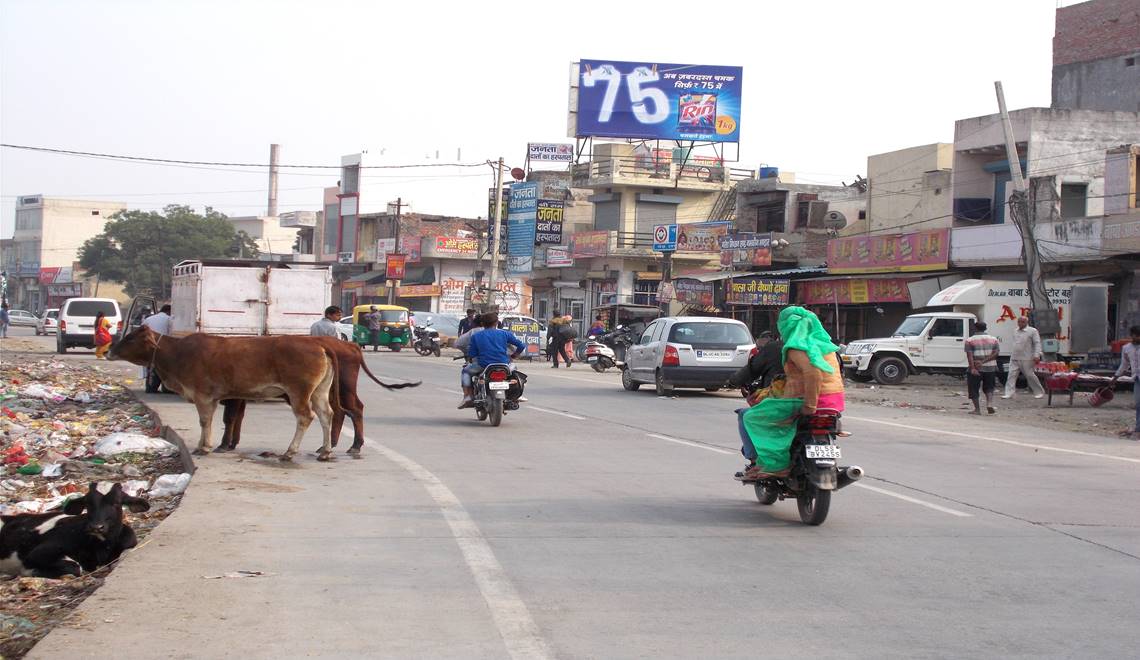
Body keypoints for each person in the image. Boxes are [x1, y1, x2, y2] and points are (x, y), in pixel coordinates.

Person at [736, 307, 844, 479]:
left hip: (806, 401)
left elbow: (813, 373)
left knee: (752, 417)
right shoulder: (826, 345)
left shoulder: (796, 346)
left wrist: (809, 405)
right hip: (834, 402)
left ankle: (774, 465)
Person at [458, 312, 525, 408]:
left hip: (483, 365)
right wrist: (514, 356)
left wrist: (473, 358)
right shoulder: (505, 334)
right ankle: (517, 395)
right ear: (496, 322)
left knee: (465, 372)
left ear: (482, 324)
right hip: (504, 365)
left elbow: (472, 354)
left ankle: (468, 396)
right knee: (514, 371)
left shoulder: (476, 336)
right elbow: (521, 346)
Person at [1003, 316, 1045, 399]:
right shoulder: (1015, 331)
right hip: (1015, 356)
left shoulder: (1032, 331)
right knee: (1011, 375)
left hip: (1027, 357)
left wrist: (1037, 355)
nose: (1020, 323)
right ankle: (1009, 393)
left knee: (1030, 375)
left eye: (1022, 322)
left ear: (1026, 322)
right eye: (1019, 322)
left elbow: (1037, 343)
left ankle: (1039, 392)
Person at [1111, 325, 1140, 441]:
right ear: (1132, 335)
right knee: (1138, 404)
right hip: (1137, 378)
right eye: (1136, 335)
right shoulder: (1126, 348)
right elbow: (1124, 365)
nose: (1138, 338)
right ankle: (1138, 429)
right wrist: (1115, 378)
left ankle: (1138, 429)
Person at [965, 321, 1000, 415]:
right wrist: (984, 361)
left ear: (975, 328)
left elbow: (970, 356)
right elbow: (996, 353)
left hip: (976, 368)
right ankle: (989, 403)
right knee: (989, 387)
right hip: (991, 367)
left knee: (973, 388)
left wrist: (973, 368)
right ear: (985, 328)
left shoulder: (970, 340)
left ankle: (977, 409)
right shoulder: (994, 339)